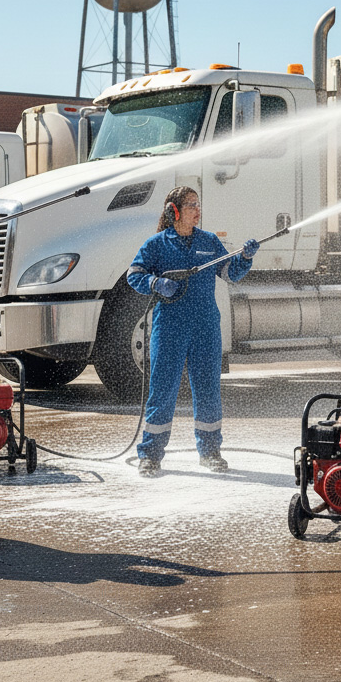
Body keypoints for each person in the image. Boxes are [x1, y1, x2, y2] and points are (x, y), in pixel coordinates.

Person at [127, 186, 260, 477]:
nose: (197, 211)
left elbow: (230, 273)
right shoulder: (157, 245)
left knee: (208, 391)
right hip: (170, 327)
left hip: (205, 327)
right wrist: (154, 283)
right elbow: (133, 275)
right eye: (191, 205)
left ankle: (210, 451)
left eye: (198, 205)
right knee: (163, 391)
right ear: (173, 211)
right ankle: (150, 455)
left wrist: (245, 259)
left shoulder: (209, 242)